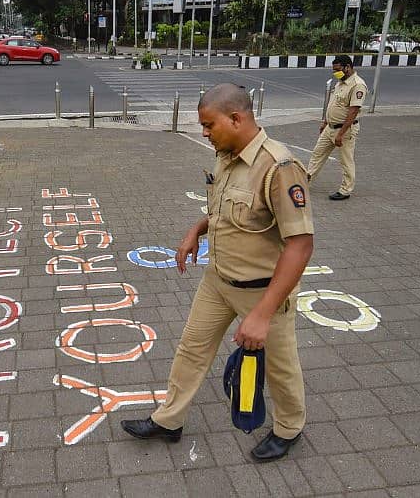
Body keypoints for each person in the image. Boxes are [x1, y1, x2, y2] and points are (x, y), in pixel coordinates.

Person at [121, 84, 314, 462]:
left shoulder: (280, 167)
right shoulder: (226, 156)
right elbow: (226, 212)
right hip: (218, 279)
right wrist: (197, 229)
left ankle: (289, 428)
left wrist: (261, 315)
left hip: (263, 291)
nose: (204, 133)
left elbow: (301, 245)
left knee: (280, 369)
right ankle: (169, 420)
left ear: (236, 119)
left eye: (209, 125)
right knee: (191, 349)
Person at [307, 55, 368, 201]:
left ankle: (346, 190)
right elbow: (333, 104)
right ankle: (306, 180)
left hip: (344, 130)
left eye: (338, 70)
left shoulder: (357, 85)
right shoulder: (340, 82)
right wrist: (325, 122)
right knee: (317, 154)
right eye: (334, 70)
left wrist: (341, 134)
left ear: (348, 67)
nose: (336, 73)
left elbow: (353, 112)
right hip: (330, 127)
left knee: (346, 161)